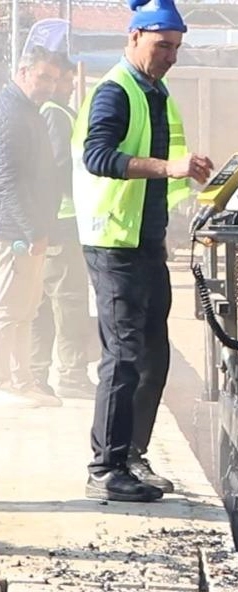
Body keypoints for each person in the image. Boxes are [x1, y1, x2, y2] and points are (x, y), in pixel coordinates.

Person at [74, 0, 214, 503]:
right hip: (114, 242)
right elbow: (98, 156)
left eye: (176, 48)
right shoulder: (116, 91)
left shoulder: (156, 91)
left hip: (146, 241)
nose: (170, 57)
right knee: (125, 354)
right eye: (162, 46)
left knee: (154, 355)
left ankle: (132, 455)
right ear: (133, 38)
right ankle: (105, 467)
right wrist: (168, 168)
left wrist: (189, 181)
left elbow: (167, 166)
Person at [0, 47, 63, 409]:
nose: (49, 86)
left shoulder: (29, 111)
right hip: (13, 234)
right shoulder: (10, 113)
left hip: (29, 230)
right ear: (23, 73)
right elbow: (7, 179)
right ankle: (7, 380)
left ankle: (21, 379)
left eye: (53, 80)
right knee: (9, 308)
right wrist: (29, 230)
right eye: (43, 77)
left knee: (26, 308)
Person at [31, 54, 96, 400]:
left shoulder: (49, 113)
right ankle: (71, 374)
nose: (69, 87)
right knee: (68, 300)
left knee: (42, 300)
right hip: (64, 222)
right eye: (67, 82)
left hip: (52, 220)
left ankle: (37, 373)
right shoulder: (56, 114)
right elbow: (59, 167)